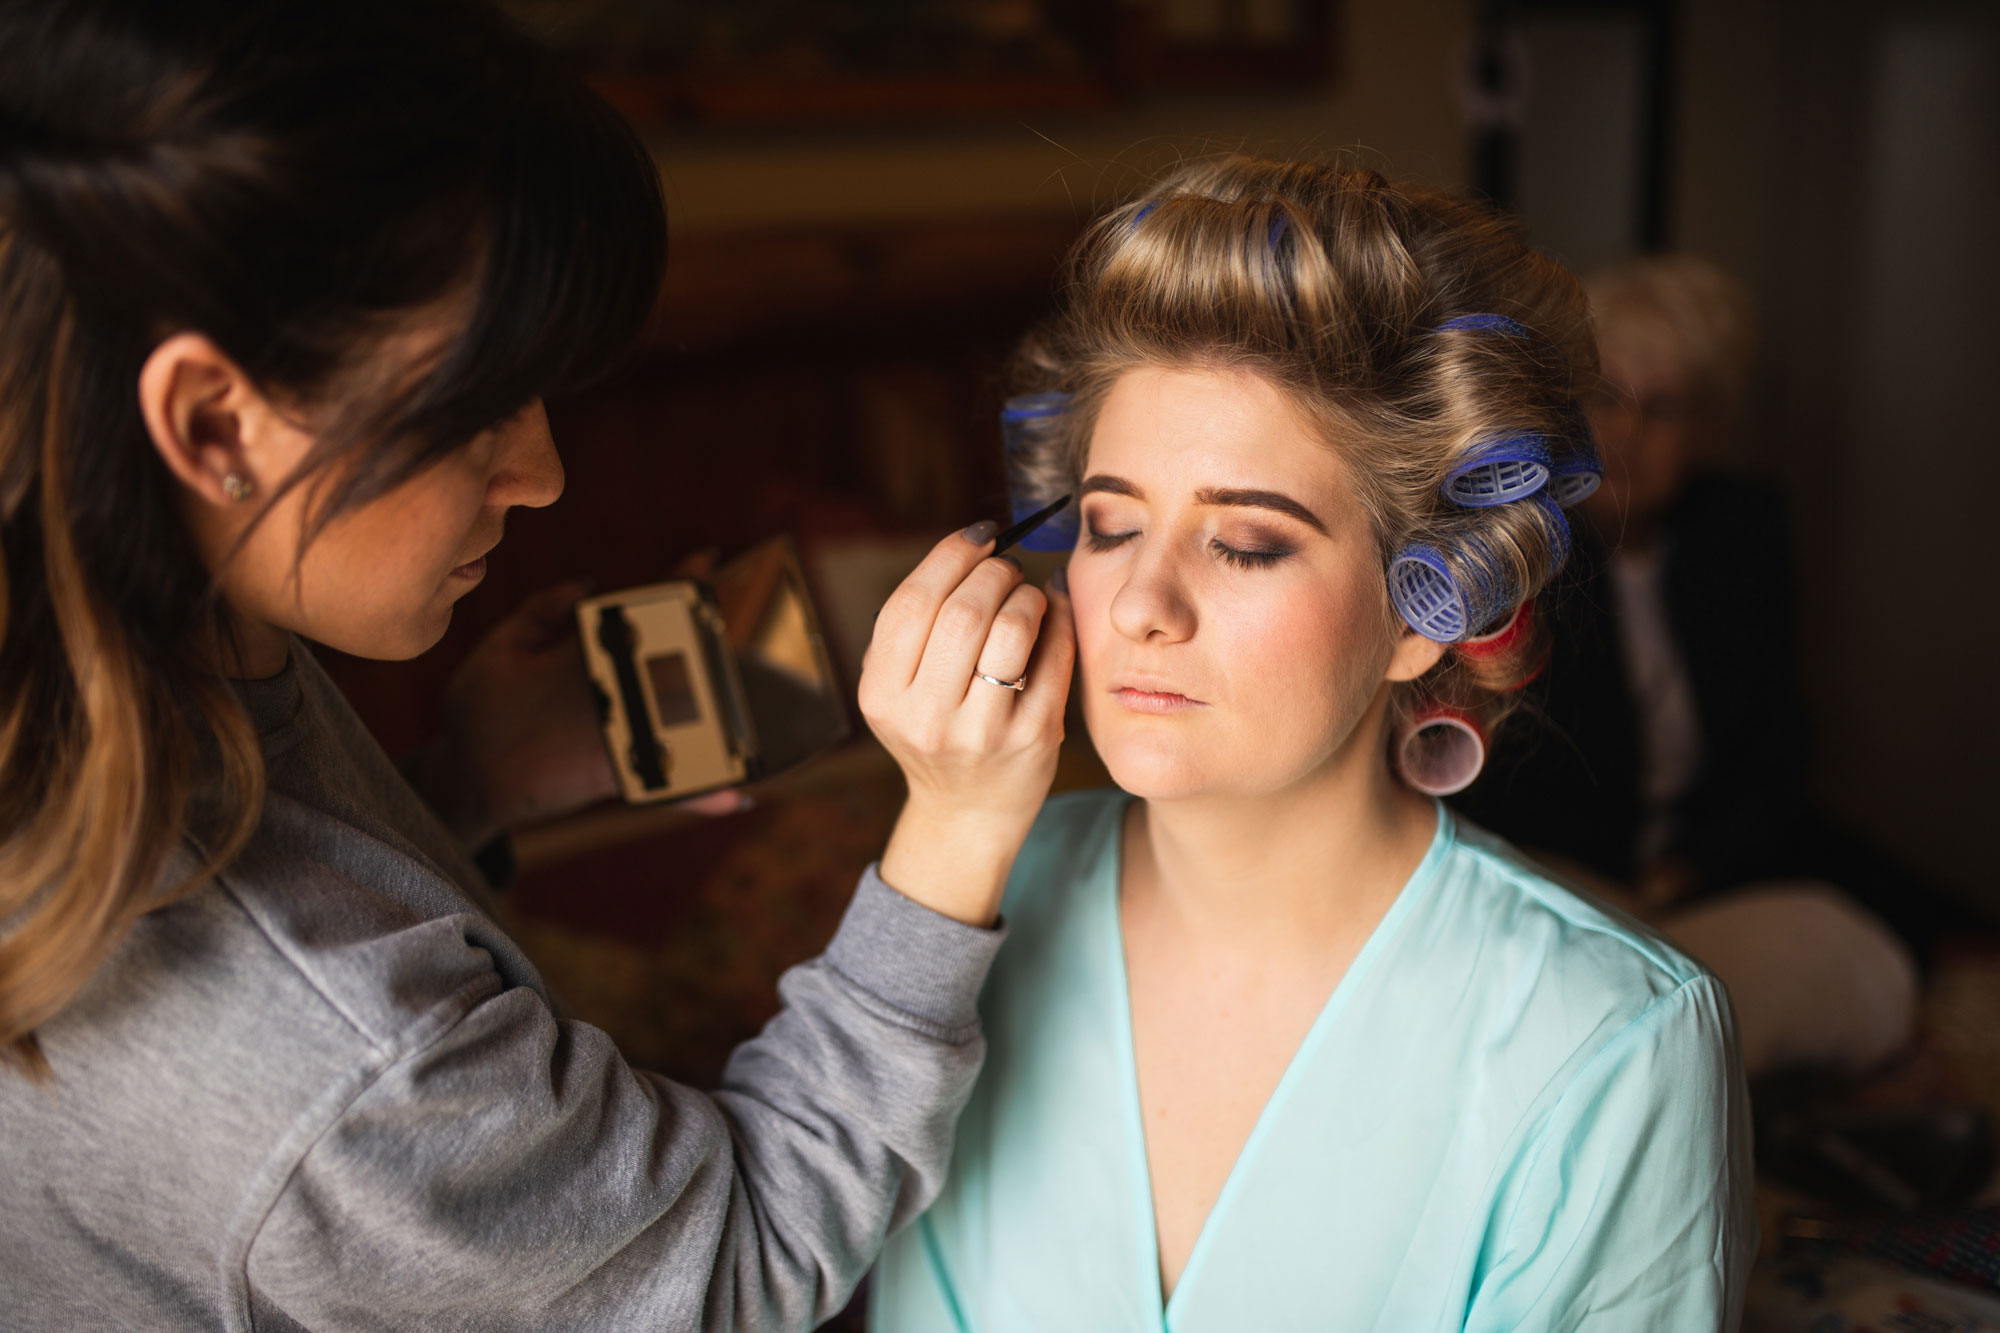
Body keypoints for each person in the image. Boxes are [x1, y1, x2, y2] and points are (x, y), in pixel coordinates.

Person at [0, 2, 1074, 1329]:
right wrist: (957, 828)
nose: (546, 475)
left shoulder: (171, 646)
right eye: (480, 408)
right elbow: (735, 1266)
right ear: (215, 420)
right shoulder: (345, 1080)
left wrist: (465, 787)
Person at [868, 158, 1756, 1332]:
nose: (1140, 603)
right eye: (1106, 524)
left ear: (1419, 608)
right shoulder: (953, 912)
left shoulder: (1610, 1044)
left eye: (1243, 542)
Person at [1456, 254, 1927, 1080]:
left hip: (1703, 857)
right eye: (1606, 399)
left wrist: (1690, 869)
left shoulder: (1743, 529)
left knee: (1896, 917)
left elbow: (1778, 741)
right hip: (1567, 860)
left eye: (1663, 409)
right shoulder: (1525, 543)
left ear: (1710, 427)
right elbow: (1507, 779)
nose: (1627, 432)